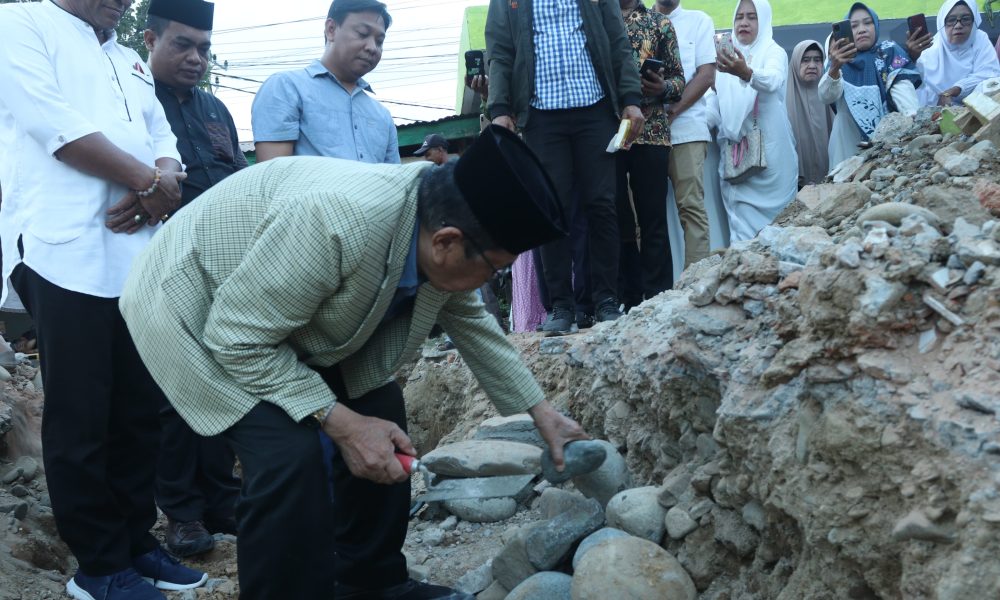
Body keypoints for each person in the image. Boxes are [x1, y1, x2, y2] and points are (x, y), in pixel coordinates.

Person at [119, 126, 591, 600]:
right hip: (192, 307)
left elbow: (473, 324)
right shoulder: (338, 220)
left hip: (271, 313)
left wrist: (540, 413)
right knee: (288, 454)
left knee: (382, 410)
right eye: (496, 268)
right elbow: (238, 339)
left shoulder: (432, 210)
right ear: (446, 243)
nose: (494, 278)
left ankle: (371, 582)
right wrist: (340, 423)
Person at [0, 0, 208, 598]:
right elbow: (54, 127)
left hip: (136, 255)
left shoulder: (126, 59)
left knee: (137, 412)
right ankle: (97, 565)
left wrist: (161, 182)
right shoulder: (22, 24)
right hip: (61, 248)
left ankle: (136, 543)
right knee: (82, 415)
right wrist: (150, 182)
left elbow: (162, 137)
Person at [144, 0, 244, 558]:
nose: (196, 58)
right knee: (172, 394)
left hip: (226, 269)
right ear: (150, 40)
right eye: (183, 44)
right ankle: (180, 515)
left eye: (204, 48)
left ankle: (221, 502)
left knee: (222, 384)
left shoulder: (215, 110)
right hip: (163, 267)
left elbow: (238, 180)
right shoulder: (135, 104)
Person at [486, 0, 646, 335]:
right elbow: (500, 50)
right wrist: (500, 107)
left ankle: (605, 300)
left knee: (602, 205)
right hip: (540, 115)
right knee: (551, 211)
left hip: (595, 108)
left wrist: (630, 98)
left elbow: (618, 42)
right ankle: (560, 305)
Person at [251, 0, 398, 164]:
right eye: (363, 33)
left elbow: (394, 184)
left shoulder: (382, 116)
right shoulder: (286, 87)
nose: (372, 47)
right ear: (331, 29)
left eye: (379, 41)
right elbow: (273, 177)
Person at [709, 0, 798, 242]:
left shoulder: (772, 51)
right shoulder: (723, 61)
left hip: (774, 159)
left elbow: (774, 80)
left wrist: (746, 72)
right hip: (737, 161)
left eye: (752, 17)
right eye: (739, 17)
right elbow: (713, 106)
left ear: (764, 20)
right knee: (743, 238)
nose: (744, 23)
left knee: (782, 231)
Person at [616, 0, 685, 308]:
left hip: (653, 131)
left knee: (653, 216)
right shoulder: (594, 23)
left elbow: (679, 79)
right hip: (608, 133)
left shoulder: (660, 23)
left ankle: (658, 295)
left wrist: (662, 87)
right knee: (616, 216)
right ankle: (626, 298)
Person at [819, 3, 921, 170]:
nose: (861, 29)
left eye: (868, 22)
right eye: (854, 25)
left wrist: (912, 119)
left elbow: (902, 87)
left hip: (887, 138)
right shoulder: (838, 62)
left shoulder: (889, 52)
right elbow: (826, 97)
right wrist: (835, 68)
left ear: (876, 24)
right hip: (847, 138)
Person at [654, 0, 717, 268]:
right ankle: (648, 294)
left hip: (688, 128)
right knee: (642, 215)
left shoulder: (699, 21)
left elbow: (706, 76)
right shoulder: (636, 20)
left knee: (691, 208)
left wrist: (674, 111)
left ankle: (696, 284)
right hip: (645, 132)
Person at [908, 0, 1000, 107]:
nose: (958, 25)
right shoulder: (930, 48)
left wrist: (955, 90)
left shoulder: (980, 39)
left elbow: (989, 76)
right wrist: (912, 58)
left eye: (965, 19)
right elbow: (918, 88)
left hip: (975, 107)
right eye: (951, 20)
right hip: (935, 110)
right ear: (942, 22)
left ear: (974, 21)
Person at [787, 40, 834, 187]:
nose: (812, 65)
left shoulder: (831, 93)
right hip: (794, 184)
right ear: (795, 64)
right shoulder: (783, 98)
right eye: (805, 60)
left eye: (817, 60)